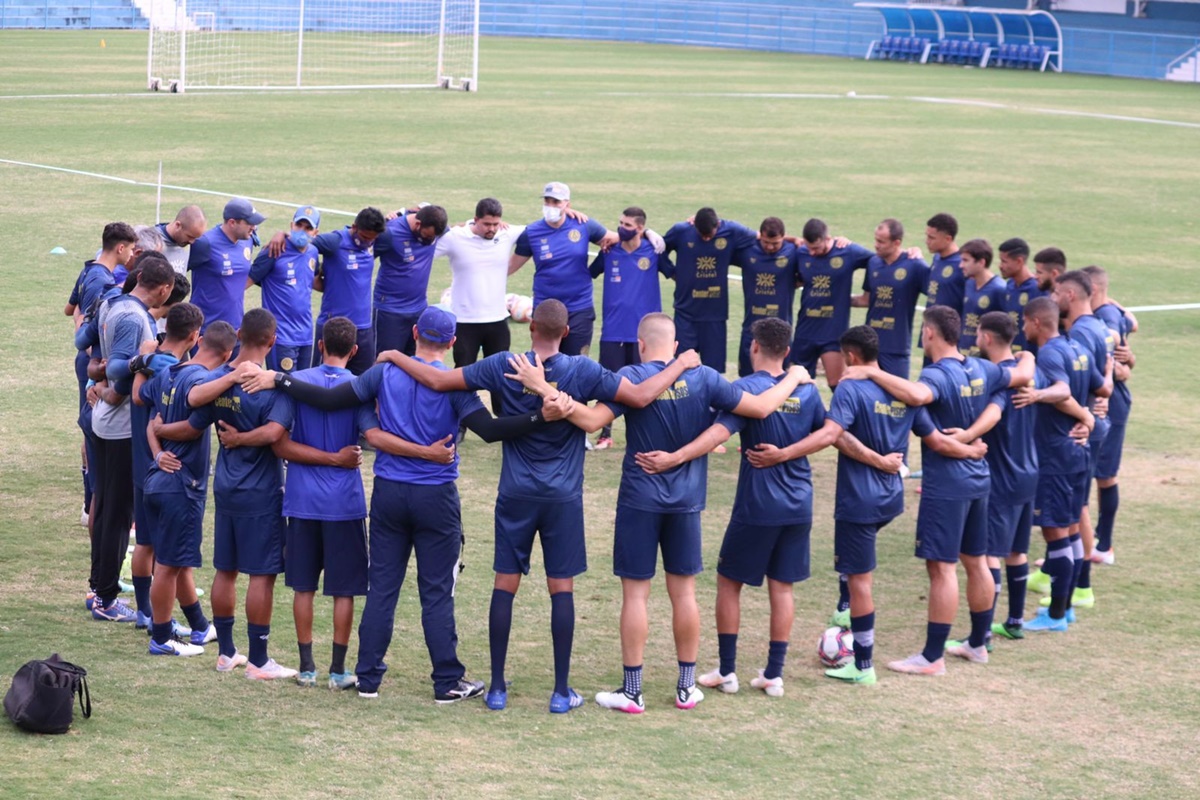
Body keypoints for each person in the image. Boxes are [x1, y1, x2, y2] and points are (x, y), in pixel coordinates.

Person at [380, 299, 699, 713]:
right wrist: (679, 363)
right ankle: (561, 692)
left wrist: (395, 357)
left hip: (515, 492)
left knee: (504, 585)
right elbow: (638, 396)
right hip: (563, 497)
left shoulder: (502, 365)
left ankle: (496, 689)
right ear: (566, 333)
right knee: (560, 588)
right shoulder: (583, 370)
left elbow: (440, 382)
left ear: (529, 326)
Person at [242, 306, 571, 702]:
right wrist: (540, 418)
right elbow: (489, 431)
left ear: (414, 332)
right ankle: (447, 680)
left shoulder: (383, 373)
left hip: (389, 494)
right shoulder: (453, 385)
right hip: (436, 498)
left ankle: (367, 678)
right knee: (436, 591)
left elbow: (329, 400)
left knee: (382, 588)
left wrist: (279, 378)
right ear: (452, 343)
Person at [544, 313, 809, 713]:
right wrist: (793, 377)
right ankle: (686, 687)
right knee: (684, 593)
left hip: (639, 499)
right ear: (676, 342)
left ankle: (632, 692)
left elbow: (593, 421)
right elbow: (760, 407)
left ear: (641, 342)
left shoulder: (632, 376)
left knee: (636, 594)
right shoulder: (703, 377)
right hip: (686, 502)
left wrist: (561, 404)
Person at [632, 318, 825, 697]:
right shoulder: (808, 391)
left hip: (759, 504)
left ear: (754, 348)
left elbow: (716, 435)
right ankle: (774, 674)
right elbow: (825, 434)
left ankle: (727, 670)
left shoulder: (746, 389)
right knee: (782, 587)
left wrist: (676, 457)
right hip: (800, 502)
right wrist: (788, 452)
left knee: (728, 583)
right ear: (786, 352)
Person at [843, 306, 1034, 675]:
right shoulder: (983, 369)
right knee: (976, 560)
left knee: (942, 568)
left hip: (948, 485)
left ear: (929, 333)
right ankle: (978, 644)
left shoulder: (936, 375)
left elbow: (916, 398)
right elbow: (1023, 372)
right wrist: (974, 438)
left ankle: (932, 657)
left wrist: (871, 370)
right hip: (980, 479)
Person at [167, 309, 294, 678]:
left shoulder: (219, 380)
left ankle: (226, 653)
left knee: (226, 569)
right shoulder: (270, 385)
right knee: (261, 574)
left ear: (238, 334)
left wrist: (158, 431)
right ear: (272, 340)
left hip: (225, 486)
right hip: (261, 489)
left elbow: (192, 422)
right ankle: (258, 660)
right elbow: (274, 435)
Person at [269, 316, 374, 689]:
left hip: (301, 500)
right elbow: (373, 434)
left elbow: (279, 444)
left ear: (319, 344)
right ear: (355, 351)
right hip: (344, 504)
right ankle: (339, 670)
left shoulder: (296, 384)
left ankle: (307, 667)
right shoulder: (360, 389)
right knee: (344, 589)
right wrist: (336, 458)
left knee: (303, 587)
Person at [140, 315, 236, 657]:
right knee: (168, 565)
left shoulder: (169, 371)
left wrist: (157, 452)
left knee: (175, 560)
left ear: (199, 341)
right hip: (181, 485)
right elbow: (193, 428)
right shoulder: (202, 381)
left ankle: (199, 627)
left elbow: (150, 416)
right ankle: (162, 638)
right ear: (226, 356)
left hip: (159, 480)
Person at [88, 256, 176, 621]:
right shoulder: (135, 317)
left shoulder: (111, 302)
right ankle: (106, 598)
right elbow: (122, 370)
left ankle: (99, 587)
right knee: (117, 514)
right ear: (165, 288)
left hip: (105, 421)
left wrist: (99, 374)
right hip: (122, 426)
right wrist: (144, 362)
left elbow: (88, 344)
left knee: (107, 508)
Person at [1013, 297, 1106, 633]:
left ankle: (1054, 615)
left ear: (1036, 323)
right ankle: (1065, 609)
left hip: (1055, 455)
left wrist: (1037, 396)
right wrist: (1089, 416)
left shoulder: (1050, 353)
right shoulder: (1077, 348)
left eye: (1025, 322)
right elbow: (1104, 386)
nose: (1023, 328)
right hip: (1077, 451)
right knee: (1068, 530)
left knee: (1056, 535)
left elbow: (1063, 390)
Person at [1055, 270, 1115, 610]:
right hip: (1092, 422)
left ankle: (1081, 587)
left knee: (1076, 509)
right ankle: (1064, 574)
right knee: (1076, 506)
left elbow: (1082, 383)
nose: (1054, 297)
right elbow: (1101, 379)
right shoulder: (1097, 327)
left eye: (1058, 292)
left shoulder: (1080, 332)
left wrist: (1086, 417)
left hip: (1083, 429)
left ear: (1072, 296)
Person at [589, 206, 670, 448]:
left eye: (627, 225)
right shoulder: (609, 250)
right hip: (613, 331)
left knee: (650, 386)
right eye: (620, 223)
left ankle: (652, 434)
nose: (621, 228)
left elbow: (676, 273)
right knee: (609, 385)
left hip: (646, 335)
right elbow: (588, 274)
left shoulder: (653, 251)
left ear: (640, 228)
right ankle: (606, 434)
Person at [509, 182, 617, 356]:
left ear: (567, 204)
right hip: (545, 309)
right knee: (543, 364)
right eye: (547, 201)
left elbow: (616, 239)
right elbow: (509, 267)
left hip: (579, 308)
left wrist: (646, 232)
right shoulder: (532, 233)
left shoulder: (584, 225)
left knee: (577, 364)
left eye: (556, 202)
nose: (551, 206)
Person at [660, 207, 757, 373]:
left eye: (709, 235)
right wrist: (672, 272)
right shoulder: (681, 231)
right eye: (701, 235)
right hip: (685, 313)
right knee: (679, 369)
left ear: (718, 225)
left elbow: (760, 237)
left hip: (715, 316)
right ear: (694, 225)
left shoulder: (731, 231)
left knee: (713, 371)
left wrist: (794, 241)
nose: (705, 238)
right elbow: (659, 250)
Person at [1083, 265, 1134, 566]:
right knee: (1095, 473)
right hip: (1105, 399)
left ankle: (1104, 544)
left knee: (1104, 475)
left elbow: (1119, 366)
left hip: (1110, 403)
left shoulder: (1106, 318)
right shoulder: (1111, 311)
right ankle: (1094, 541)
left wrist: (1123, 363)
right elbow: (1133, 325)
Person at [439, 198, 522, 372]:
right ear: (475, 220)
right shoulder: (455, 237)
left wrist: (565, 210)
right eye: (486, 224)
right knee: (462, 374)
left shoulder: (507, 233)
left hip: (498, 320)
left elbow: (539, 231)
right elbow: (426, 245)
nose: (491, 229)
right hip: (464, 321)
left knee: (500, 375)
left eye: (495, 224)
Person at [792, 219, 873, 388]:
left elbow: (876, 260)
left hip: (833, 331)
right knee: (797, 382)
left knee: (836, 383)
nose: (812, 253)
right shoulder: (801, 253)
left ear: (828, 238)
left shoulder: (847, 251)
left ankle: (842, 414)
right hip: (805, 329)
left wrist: (867, 293)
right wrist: (791, 239)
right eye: (809, 248)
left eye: (817, 248)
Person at [310, 207, 386, 375]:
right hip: (333, 327)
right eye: (365, 237)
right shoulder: (335, 241)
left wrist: (404, 212)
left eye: (373, 240)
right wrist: (315, 273)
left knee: (363, 382)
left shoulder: (373, 241)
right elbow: (306, 244)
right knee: (323, 381)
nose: (368, 243)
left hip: (363, 328)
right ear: (354, 227)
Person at [249, 205, 320, 373]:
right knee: (283, 389)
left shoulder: (313, 252)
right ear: (291, 225)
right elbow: (248, 280)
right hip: (281, 337)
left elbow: (312, 280)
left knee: (303, 387)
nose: (302, 231)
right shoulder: (274, 250)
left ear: (315, 233)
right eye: (299, 225)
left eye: (308, 228)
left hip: (306, 336)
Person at [859, 219, 931, 379]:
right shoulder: (873, 263)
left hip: (896, 347)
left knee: (898, 400)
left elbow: (935, 293)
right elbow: (866, 299)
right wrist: (836, 299)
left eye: (881, 241)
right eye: (875, 240)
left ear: (896, 243)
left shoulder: (914, 265)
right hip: (870, 345)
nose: (876, 245)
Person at [373, 204, 449, 355]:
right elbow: (366, 256)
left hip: (419, 310)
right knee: (385, 363)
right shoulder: (390, 232)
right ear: (418, 224)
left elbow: (455, 228)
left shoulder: (435, 228)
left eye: (433, 238)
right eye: (427, 237)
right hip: (389, 311)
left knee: (415, 362)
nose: (429, 241)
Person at [730, 217, 800, 378]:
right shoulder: (747, 250)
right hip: (751, 328)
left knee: (780, 378)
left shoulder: (793, 252)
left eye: (775, 243)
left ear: (783, 237)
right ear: (759, 235)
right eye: (766, 242)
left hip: (781, 330)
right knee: (747, 378)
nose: (769, 247)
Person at [187, 197, 264, 333]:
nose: (254, 227)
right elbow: (178, 272)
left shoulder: (248, 240)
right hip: (206, 331)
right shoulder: (205, 243)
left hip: (235, 329)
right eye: (250, 223)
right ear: (232, 223)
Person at [958, 239, 1007, 356]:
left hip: (985, 358)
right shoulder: (968, 283)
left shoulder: (999, 289)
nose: (961, 265)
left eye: (965, 260)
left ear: (981, 262)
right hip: (963, 352)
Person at [997, 238, 1043, 354]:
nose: (1000, 266)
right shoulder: (1010, 285)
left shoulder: (1037, 289)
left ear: (1019, 261)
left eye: (1004, 261)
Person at [155, 205, 208, 274]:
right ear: (177, 225)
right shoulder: (152, 241)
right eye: (189, 236)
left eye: (195, 238)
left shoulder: (187, 243)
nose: (192, 242)